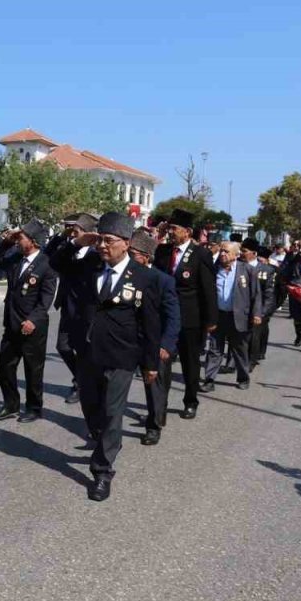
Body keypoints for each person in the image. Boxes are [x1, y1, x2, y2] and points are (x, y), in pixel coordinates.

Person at [49, 212, 159, 501]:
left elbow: (150, 325)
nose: (103, 246)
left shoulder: (144, 277)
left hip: (121, 356)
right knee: (92, 409)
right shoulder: (88, 265)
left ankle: (102, 471)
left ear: (126, 243)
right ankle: (107, 440)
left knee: (112, 412)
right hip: (87, 353)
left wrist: (150, 364)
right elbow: (55, 262)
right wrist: (76, 243)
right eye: (100, 240)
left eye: (108, 241)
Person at [0, 220, 57, 423]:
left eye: (21, 238)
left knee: (33, 370)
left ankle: (34, 407)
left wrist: (33, 320)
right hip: (11, 323)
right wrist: (7, 243)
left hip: (32, 326)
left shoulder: (47, 263)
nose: (18, 241)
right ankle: (10, 404)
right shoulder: (16, 258)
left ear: (34, 241)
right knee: (5, 368)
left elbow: (46, 298)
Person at [153, 208, 217, 419]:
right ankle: (158, 405)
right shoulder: (162, 251)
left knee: (190, 363)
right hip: (165, 317)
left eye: (174, 228)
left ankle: (191, 400)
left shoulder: (201, 254)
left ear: (187, 231)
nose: (171, 232)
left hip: (191, 318)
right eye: (169, 228)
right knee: (162, 363)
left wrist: (210, 319)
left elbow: (208, 289)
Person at [128, 229, 179, 446]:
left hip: (155, 341)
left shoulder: (162, 280)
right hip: (127, 340)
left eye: (133, 254)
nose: (129, 259)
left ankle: (154, 425)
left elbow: (173, 316)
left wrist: (166, 344)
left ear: (145, 257)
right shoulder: (125, 275)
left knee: (155, 385)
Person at [45, 213, 97, 407]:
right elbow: (50, 256)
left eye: (77, 231)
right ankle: (81, 379)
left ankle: (82, 385)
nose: (73, 235)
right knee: (63, 346)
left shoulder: (95, 254)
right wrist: (63, 236)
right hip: (68, 307)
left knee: (84, 351)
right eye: (73, 231)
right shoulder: (68, 249)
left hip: (87, 312)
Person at [202, 241, 261, 390]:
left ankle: (243, 377)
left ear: (236, 255)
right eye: (221, 251)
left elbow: (256, 294)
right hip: (218, 315)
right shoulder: (213, 269)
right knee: (215, 349)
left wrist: (257, 314)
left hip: (238, 316)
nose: (222, 254)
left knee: (239, 349)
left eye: (226, 251)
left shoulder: (247, 270)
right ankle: (209, 380)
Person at [242, 240, 277, 367]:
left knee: (254, 335)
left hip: (259, 308)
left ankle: (251, 360)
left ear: (254, 253)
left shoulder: (267, 270)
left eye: (244, 251)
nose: (242, 254)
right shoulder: (239, 266)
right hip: (241, 307)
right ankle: (233, 361)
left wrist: (262, 312)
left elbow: (269, 293)